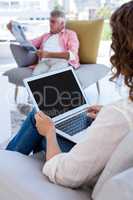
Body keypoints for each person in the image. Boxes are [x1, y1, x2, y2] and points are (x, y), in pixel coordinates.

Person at [6, 1, 133, 188]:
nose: (51, 25)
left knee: (38, 117)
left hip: (83, 172)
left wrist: (49, 133)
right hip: (106, 149)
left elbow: (66, 175)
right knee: (48, 114)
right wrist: (15, 32)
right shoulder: (118, 112)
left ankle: (6, 162)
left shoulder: (118, 115)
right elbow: (29, 45)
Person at [7, 10, 80, 76]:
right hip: (44, 62)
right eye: (50, 21)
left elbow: (72, 55)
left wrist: (48, 54)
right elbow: (27, 44)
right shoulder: (45, 36)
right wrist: (14, 31)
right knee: (34, 79)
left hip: (62, 61)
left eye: (53, 22)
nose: (50, 24)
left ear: (62, 23)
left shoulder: (70, 34)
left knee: (49, 78)